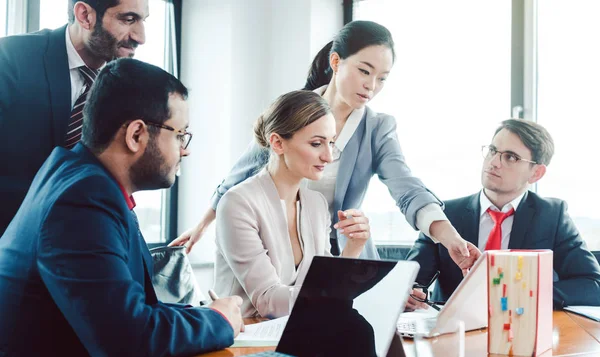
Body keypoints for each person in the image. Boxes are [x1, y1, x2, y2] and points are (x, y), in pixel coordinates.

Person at [171, 20, 480, 273]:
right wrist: (201, 226)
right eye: (364, 70)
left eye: (382, 78)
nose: (371, 86)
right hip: (284, 248)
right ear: (336, 61)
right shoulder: (293, 111)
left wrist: (449, 237)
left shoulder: (377, 128)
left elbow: (408, 190)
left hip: (347, 252)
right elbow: (240, 175)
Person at [0, 58, 243, 356]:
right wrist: (219, 320)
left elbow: (136, 309)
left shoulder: (79, 178)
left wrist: (209, 315)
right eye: (179, 134)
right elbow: (129, 338)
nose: (185, 149)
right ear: (136, 134)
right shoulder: (83, 201)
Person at [407, 119, 600, 310]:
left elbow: (592, 285)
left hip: (520, 329)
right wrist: (411, 294)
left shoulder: (551, 216)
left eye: (510, 157)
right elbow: (411, 280)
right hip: (454, 331)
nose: (493, 162)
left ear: (536, 173)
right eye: (492, 151)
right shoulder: (445, 216)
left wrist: (524, 296)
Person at [214, 90, 371, 318]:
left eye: (331, 143)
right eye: (317, 144)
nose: (328, 157)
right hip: (244, 339)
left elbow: (325, 284)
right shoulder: (238, 203)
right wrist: (335, 293)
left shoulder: (316, 205)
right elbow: (269, 301)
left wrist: (353, 248)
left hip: (299, 333)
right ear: (277, 143)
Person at [0, 0, 148, 235]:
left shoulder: (126, 85)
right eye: (128, 19)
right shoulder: (11, 59)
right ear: (84, 15)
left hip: (85, 239)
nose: (141, 37)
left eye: (143, 21)